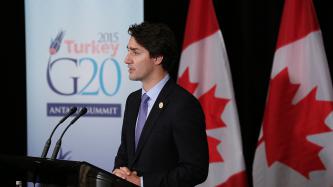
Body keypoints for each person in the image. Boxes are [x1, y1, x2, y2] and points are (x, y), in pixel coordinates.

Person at [113, 22, 209, 187]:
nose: (126, 59)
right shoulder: (133, 100)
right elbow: (126, 151)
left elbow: (195, 169)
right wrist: (119, 171)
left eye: (135, 52)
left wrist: (143, 182)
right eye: (128, 50)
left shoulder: (183, 105)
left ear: (157, 57)